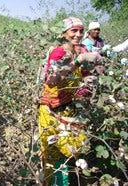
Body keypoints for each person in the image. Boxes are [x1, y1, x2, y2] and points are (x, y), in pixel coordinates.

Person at [38, 17, 99, 185]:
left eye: (81, 30)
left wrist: (91, 78)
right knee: (50, 157)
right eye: (74, 31)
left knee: (76, 149)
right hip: (51, 112)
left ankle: (65, 179)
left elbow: (84, 77)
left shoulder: (80, 51)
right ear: (64, 33)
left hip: (69, 109)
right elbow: (52, 80)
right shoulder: (59, 53)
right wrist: (77, 62)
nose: (78, 34)